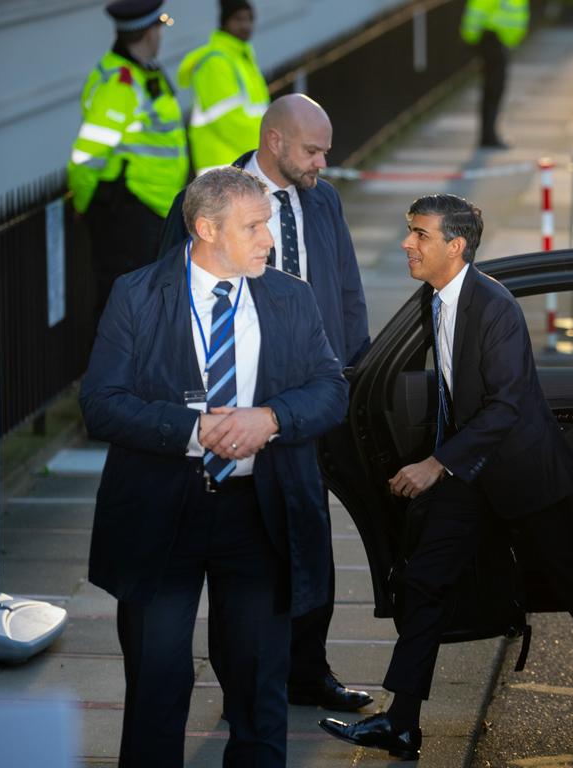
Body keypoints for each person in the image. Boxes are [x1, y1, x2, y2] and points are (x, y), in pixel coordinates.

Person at [318, 194, 573, 761]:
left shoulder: (494, 306)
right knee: (423, 579)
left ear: (456, 246)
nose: (407, 244)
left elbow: (506, 405)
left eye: (420, 235)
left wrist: (434, 464)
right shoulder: (435, 299)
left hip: (522, 473)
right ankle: (401, 723)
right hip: (471, 471)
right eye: (408, 231)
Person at [80, 166, 348, 767]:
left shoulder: (289, 296)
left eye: (268, 225)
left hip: (258, 514)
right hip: (161, 511)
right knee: (157, 680)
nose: (268, 240)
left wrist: (271, 419)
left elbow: (331, 389)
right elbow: (100, 403)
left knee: (259, 686)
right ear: (205, 228)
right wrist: (193, 430)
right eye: (253, 227)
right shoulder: (137, 294)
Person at [159, 94, 373, 712]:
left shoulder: (323, 199)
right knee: (248, 547)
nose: (322, 162)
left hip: (312, 394)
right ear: (274, 142)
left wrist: (351, 376)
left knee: (312, 537)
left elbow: (347, 288)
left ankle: (308, 670)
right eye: (312, 150)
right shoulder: (209, 200)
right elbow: (169, 294)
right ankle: (245, 685)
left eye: (325, 150)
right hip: (238, 396)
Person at [68, 0, 188, 320]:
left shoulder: (144, 73)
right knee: (123, 309)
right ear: (149, 32)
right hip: (129, 212)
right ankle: (114, 371)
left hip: (156, 209)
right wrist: (85, 205)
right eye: (159, 28)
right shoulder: (119, 83)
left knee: (147, 306)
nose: (161, 35)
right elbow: (86, 156)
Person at [178, 0, 270, 174]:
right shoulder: (215, 62)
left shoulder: (241, 58)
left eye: (249, 19)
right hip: (223, 170)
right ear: (224, 22)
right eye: (238, 19)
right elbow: (229, 121)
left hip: (241, 165)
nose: (246, 25)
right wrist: (270, 148)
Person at [460, 0, 529, 149]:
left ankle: (489, 134)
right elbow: (476, 11)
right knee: (493, 89)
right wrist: (471, 37)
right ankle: (488, 136)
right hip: (492, 39)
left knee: (495, 89)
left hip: (499, 41)